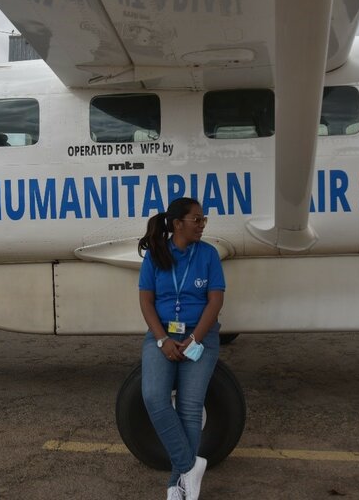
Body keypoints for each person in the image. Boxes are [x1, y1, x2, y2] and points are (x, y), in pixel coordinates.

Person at [138, 197, 225, 500]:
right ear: (178, 224)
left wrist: (195, 339)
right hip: (161, 335)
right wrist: (162, 340)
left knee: (189, 408)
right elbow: (146, 302)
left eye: (203, 220)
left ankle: (177, 485)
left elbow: (215, 301)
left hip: (200, 336)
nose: (202, 225)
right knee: (153, 397)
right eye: (196, 220)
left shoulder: (209, 255)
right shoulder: (155, 256)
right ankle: (190, 465)